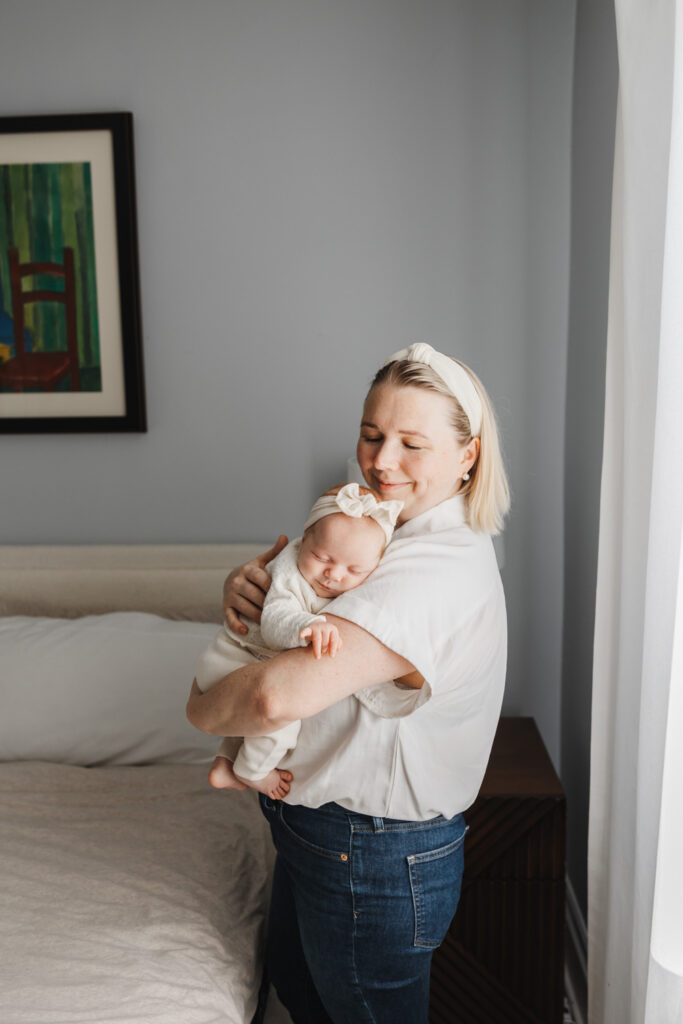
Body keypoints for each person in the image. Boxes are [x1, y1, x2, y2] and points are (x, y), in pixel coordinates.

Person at [187, 342, 510, 1024]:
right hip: (322, 831)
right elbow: (303, 592)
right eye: (370, 434)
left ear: (468, 455)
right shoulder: (386, 531)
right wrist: (256, 590)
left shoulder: (433, 569)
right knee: (305, 996)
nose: (380, 461)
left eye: (410, 444)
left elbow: (277, 698)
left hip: (367, 850)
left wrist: (199, 705)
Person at [193, 482, 402, 800]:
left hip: (243, 662)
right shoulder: (288, 571)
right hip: (231, 660)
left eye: (355, 570)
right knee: (282, 723)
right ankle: (253, 771)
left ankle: (224, 764)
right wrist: (308, 624)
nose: (333, 575)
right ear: (304, 540)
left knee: (250, 719)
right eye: (322, 557)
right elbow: (275, 618)